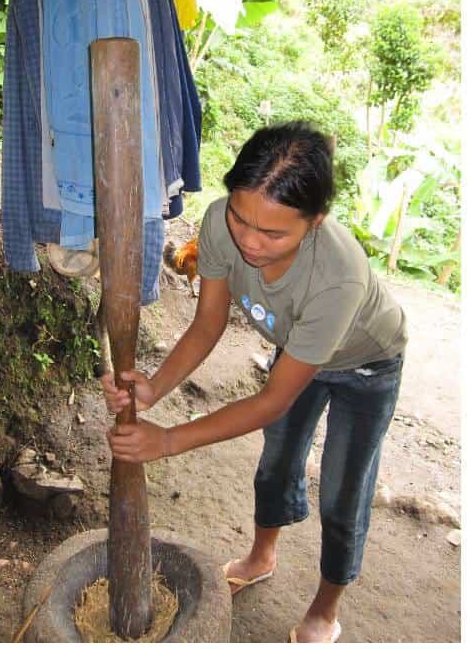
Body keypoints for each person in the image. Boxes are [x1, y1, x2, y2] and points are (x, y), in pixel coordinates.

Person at [102, 122, 406, 644]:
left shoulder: (337, 276)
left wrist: (170, 439)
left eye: (273, 234)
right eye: (242, 220)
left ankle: (326, 609)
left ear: (316, 222)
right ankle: (262, 555)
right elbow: (208, 323)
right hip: (298, 350)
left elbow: (271, 400)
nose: (249, 241)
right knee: (277, 466)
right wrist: (154, 388)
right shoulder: (220, 224)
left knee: (342, 492)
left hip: (366, 364)